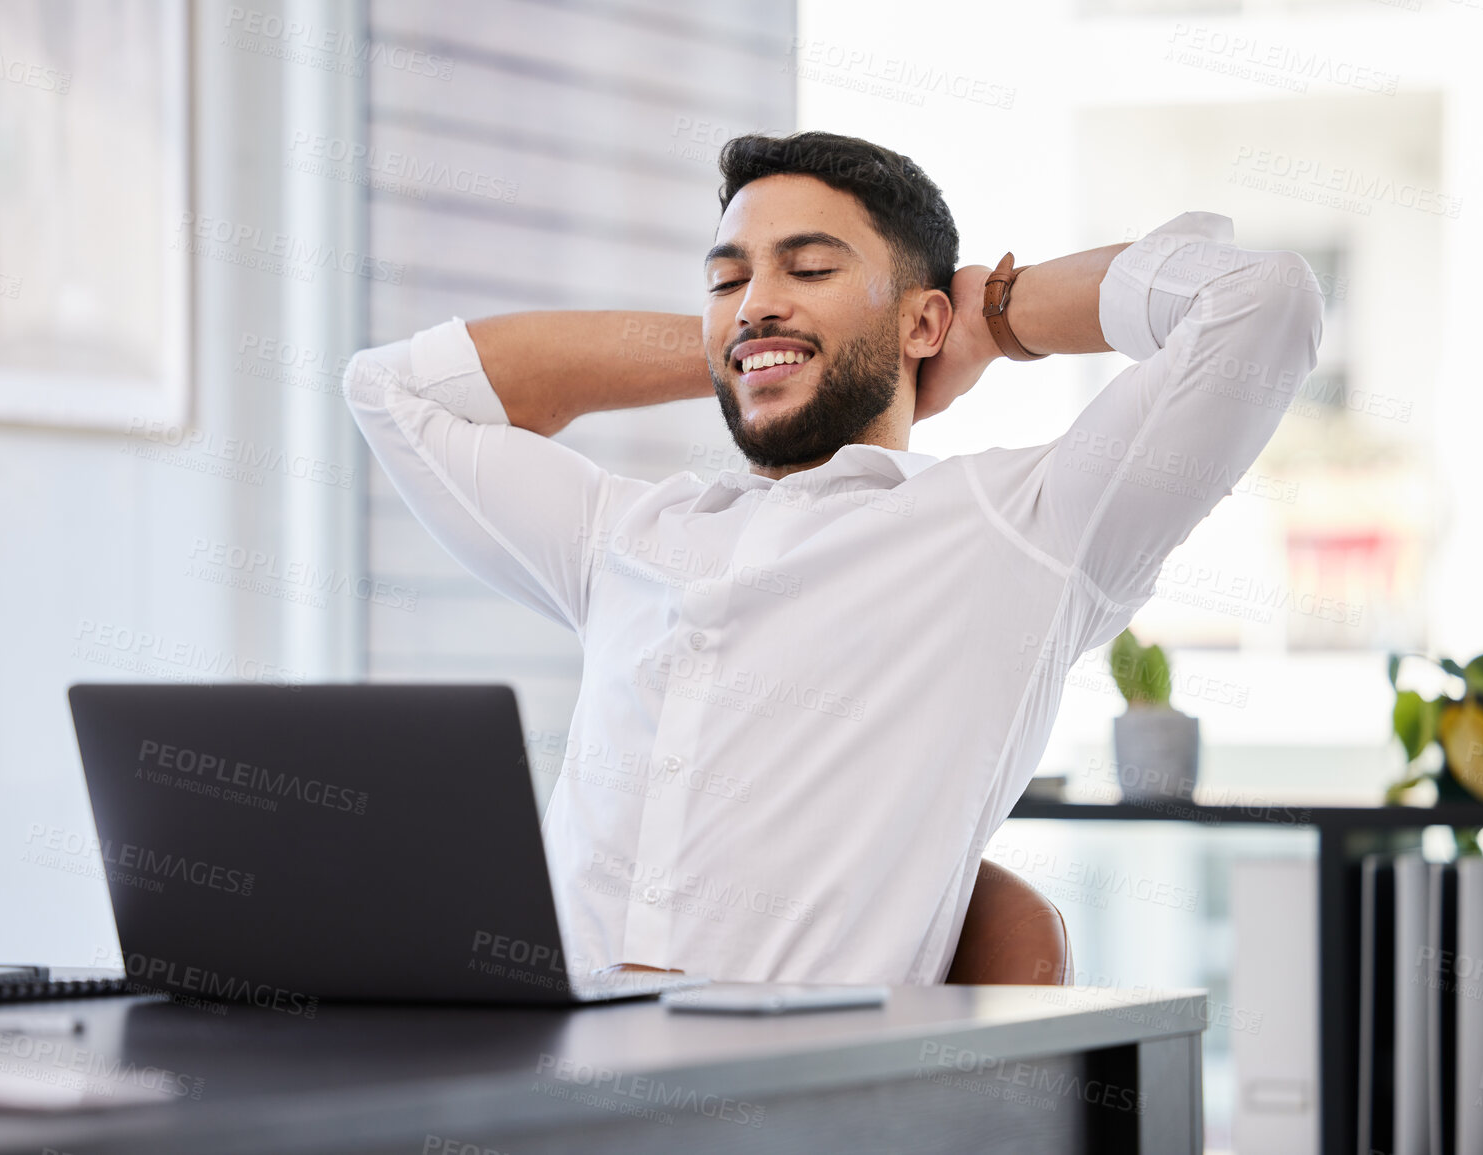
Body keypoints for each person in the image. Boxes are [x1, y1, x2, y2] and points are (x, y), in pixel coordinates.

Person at [346, 131, 1323, 985]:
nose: (757, 301)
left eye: (808, 269)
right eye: (728, 279)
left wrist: (999, 313)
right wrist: (760, 340)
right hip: (530, 1083)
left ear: (923, 321)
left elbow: (1259, 302)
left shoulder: (1023, 525)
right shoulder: (628, 537)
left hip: (789, 1107)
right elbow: (391, 391)